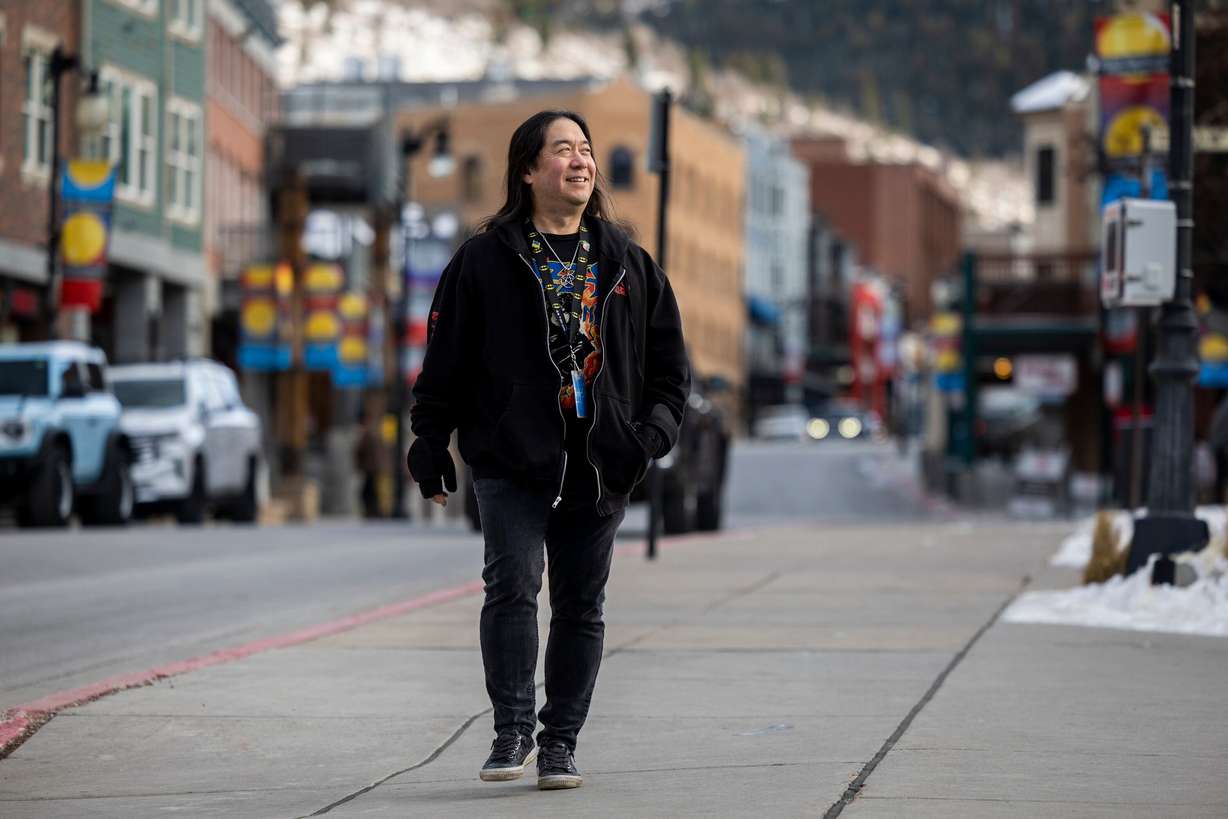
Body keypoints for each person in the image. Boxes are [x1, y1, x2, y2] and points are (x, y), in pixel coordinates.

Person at [407, 110, 689, 790]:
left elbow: (670, 370)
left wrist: (647, 436)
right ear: (529, 170)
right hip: (511, 456)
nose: (581, 160)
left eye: (586, 149)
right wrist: (428, 438)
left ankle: (560, 740)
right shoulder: (484, 258)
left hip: (600, 462)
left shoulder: (627, 261)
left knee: (581, 605)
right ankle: (512, 732)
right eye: (563, 149)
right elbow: (444, 360)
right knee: (510, 587)